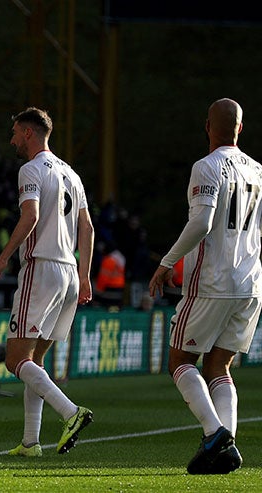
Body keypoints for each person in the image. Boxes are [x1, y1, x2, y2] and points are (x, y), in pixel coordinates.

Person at [148, 98, 257, 475]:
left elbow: (202, 224)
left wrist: (166, 262)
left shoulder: (206, 166)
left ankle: (215, 435)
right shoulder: (258, 171)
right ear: (240, 128)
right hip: (250, 282)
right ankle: (226, 446)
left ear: (207, 126)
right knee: (220, 366)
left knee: (180, 359)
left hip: (212, 281)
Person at [0, 107, 94, 457]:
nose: (13, 139)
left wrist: (4, 257)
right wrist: (85, 274)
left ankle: (70, 412)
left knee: (16, 359)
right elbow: (87, 228)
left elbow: (30, 215)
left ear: (29, 133)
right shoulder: (71, 174)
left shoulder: (30, 170)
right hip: (69, 272)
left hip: (42, 268)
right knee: (35, 360)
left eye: (16, 132)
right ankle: (31, 442)